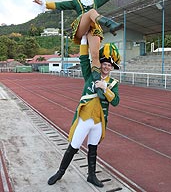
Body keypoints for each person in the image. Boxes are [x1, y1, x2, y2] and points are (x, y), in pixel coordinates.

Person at [33, 0, 123, 99]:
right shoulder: (76, 2)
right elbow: (60, 5)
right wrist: (44, 4)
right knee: (91, 12)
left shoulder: (96, 1)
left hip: (94, 29)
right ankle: (110, 23)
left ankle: (98, 85)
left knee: (95, 55)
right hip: (81, 27)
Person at [47, 36, 120, 188]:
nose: (106, 67)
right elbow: (84, 60)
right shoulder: (90, 75)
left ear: (112, 68)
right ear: (100, 64)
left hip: (99, 121)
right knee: (74, 147)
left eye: (109, 65)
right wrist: (84, 41)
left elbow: (116, 102)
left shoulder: (113, 84)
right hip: (85, 118)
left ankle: (91, 176)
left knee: (93, 149)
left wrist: (105, 89)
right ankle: (60, 172)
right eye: (104, 64)